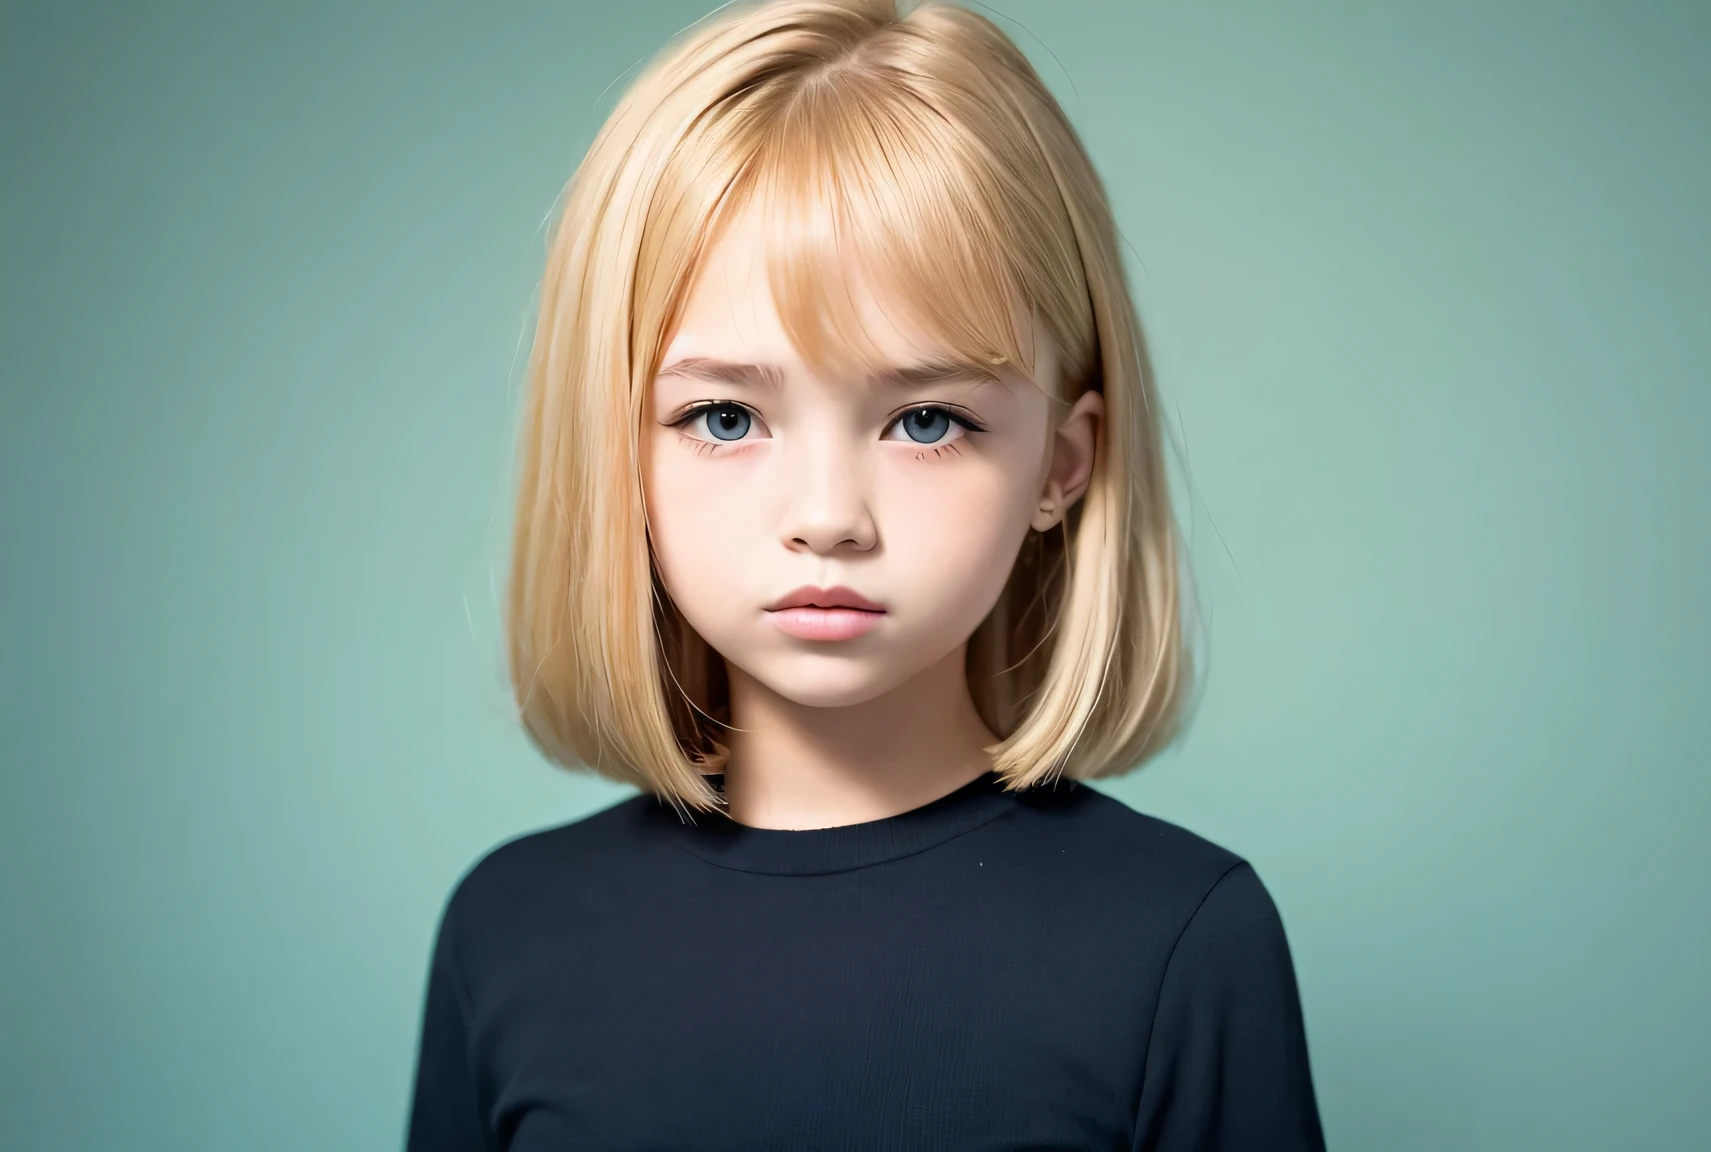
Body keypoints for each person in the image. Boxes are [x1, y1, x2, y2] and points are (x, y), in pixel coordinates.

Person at [404, 1, 1324, 1147]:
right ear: (614, 456)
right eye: (726, 416)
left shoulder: (1183, 941)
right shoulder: (508, 934)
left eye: (926, 418)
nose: (827, 518)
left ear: (1062, 462)